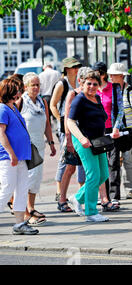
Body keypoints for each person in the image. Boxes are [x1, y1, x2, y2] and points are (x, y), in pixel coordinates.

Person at [67, 70, 115, 222]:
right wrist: (81, 138)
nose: (92, 86)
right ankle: (91, 212)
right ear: (82, 83)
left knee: (103, 175)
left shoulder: (97, 99)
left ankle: (77, 197)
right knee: (93, 175)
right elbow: (70, 121)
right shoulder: (79, 99)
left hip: (98, 141)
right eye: (89, 83)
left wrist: (110, 133)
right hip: (85, 141)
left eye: (95, 84)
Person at [16, 73, 57, 225]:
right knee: (26, 179)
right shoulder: (20, 102)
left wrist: (51, 143)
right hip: (25, 147)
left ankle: (31, 207)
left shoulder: (42, 103)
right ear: (25, 87)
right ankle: (26, 213)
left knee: (36, 179)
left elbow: (47, 124)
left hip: (39, 145)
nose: (36, 87)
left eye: (38, 84)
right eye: (32, 85)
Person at [0, 78, 38, 235]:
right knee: (7, 188)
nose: (19, 92)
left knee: (22, 190)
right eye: (16, 89)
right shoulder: (2, 109)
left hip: (20, 157)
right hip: (9, 158)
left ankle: (19, 223)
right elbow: (1, 133)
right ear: (8, 91)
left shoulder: (13, 107)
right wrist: (10, 153)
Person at [50, 57, 85, 203]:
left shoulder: (78, 82)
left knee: (81, 157)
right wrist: (61, 120)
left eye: (77, 66)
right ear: (67, 69)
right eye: (73, 67)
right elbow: (53, 104)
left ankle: (81, 187)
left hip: (79, 122)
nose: (76, 69)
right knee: (66, 158)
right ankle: (59, 190)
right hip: (66, 123)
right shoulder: (61, 83)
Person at [108, 62, 132, 199]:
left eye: (114, 75)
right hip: (115, 130)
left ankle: (129, 189)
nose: (111, 77)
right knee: (113, 160)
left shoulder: (130, 91)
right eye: (110, 74)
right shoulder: (110, 90)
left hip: (128, 129)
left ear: (122, 76)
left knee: (128, 159)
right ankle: (114, 190)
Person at [93, 62, 124, 205]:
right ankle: (103, 196)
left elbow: (120, 109)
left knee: (113, 162)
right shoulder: (92, 89)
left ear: (103, 74)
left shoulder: (114, 88)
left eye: (97, 73)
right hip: (98, 130)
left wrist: (117, 127)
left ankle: (115, 195)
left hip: (112, 129)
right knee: (101, 163)